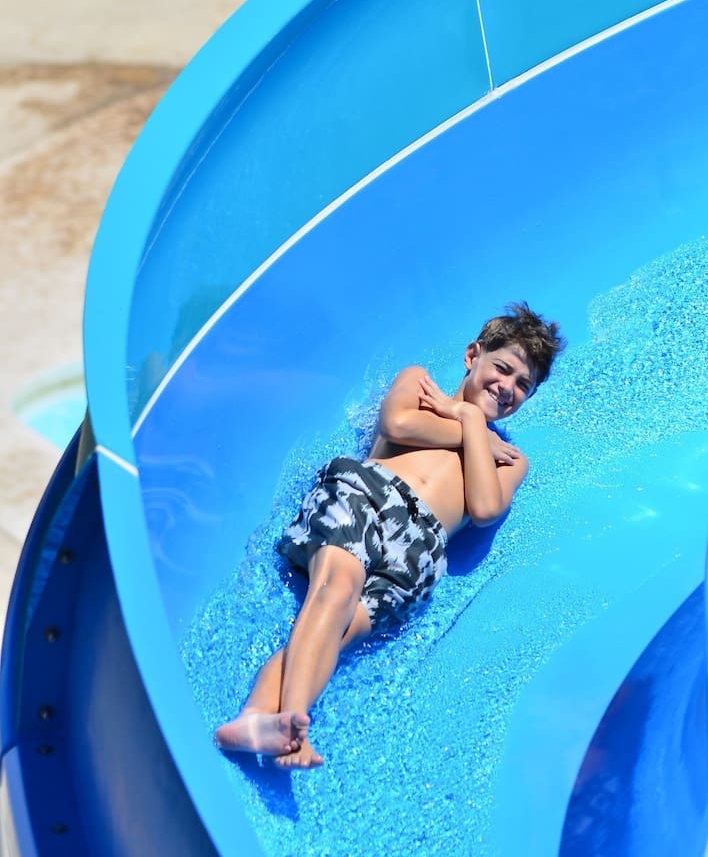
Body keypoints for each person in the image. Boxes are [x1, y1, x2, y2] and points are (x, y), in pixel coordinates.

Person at [214, 302, 564, 768]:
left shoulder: (510, 458)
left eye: (524, 386)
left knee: (335, 632)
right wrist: (465, 421)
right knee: (336, 588)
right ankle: (295, 727)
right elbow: (397, 424)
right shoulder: (418, 384)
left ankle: (257, 717)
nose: (508, 388)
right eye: (502, 369)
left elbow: (483, 507)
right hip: (370, 495)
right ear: (472, 355)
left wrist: (471, 422)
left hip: (418, 554)